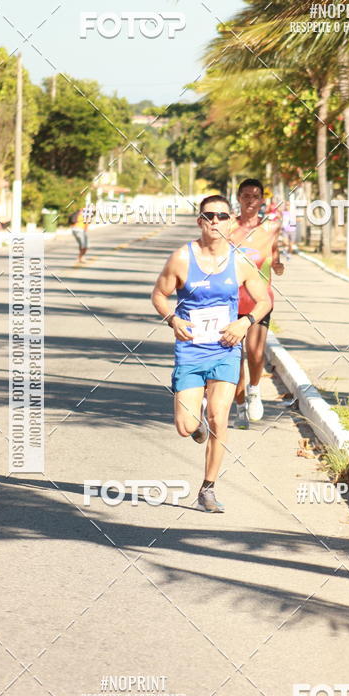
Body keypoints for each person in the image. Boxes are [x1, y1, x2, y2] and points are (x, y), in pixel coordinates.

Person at [151, 194, 271, 513]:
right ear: (200, 221)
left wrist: (245, 323)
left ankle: (208, 487)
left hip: (225, 349)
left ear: (231, 222)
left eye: (221, 216)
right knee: (185, 427)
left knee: (221, 418)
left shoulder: (241, 261)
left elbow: (264, 301)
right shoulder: (181, 258)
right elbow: (160, 295)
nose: (215, 222)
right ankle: (196, 417)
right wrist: (173, 318)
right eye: (208, 216)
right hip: (191, 351)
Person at [229, 179, 284, 429]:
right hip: (230, 298)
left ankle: (254, 390)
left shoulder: (270, 229)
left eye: (255, 196)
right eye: (246, 196)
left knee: (254, 350)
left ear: (262, 200)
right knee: (234, 355)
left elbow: (273, 254)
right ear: (238, 198)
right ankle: (239, 405)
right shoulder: (228, 226)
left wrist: (277, 264)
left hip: (260, 299)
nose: (251, 200)